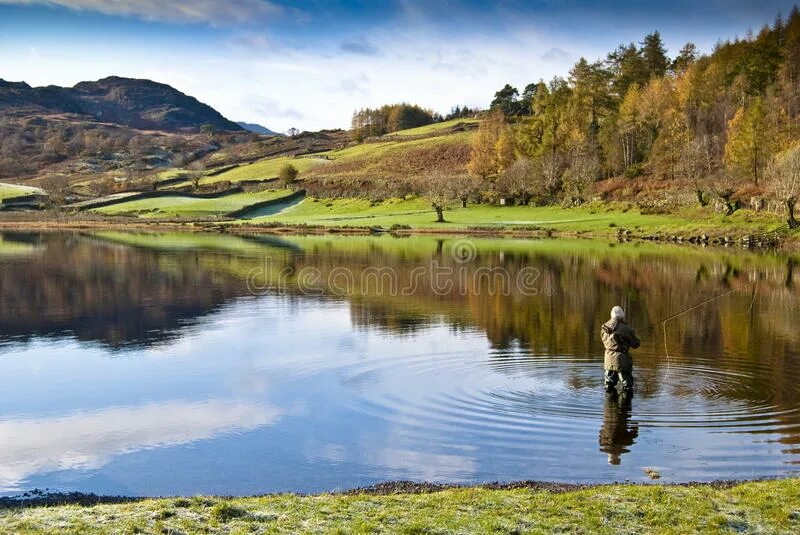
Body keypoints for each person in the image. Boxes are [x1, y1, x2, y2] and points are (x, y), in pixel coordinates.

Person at [601, 306, 640, 394]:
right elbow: (636, 344)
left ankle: (609, 406)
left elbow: (605, 342)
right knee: (627, 386)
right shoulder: (626, 328)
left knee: (608, 386)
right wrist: (636, 337)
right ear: (622, 316)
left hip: (608, 360)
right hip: (622, 361)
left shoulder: (604, 327)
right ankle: (624, 406)